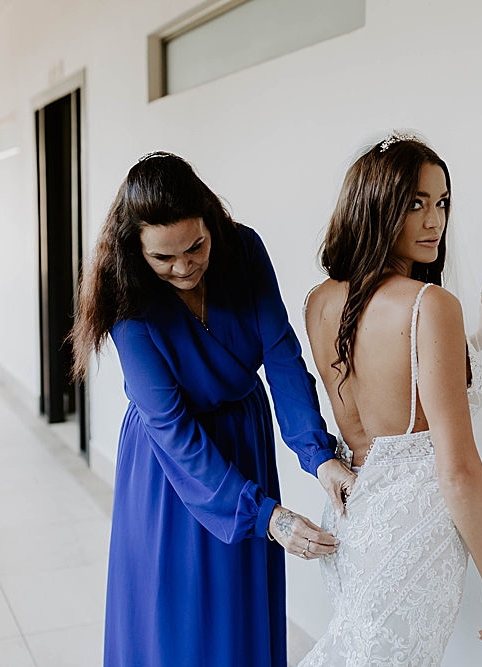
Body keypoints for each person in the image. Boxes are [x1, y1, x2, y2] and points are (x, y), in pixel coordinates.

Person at [73, 153, 351, 666]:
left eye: (194, 246)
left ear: (210, 222)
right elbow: (171, 428)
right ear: (137, 253)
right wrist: (264, 515)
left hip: (245, 440)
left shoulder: (243, 249)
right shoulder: (126, 300)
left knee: (240, 608)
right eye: (163, 258)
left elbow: (282, 356)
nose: (183, 267)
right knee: (175, 616)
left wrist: (319, 455)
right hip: (170, 466)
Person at [299, 135, 482, 666]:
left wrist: (476, 340)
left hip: (353, 521)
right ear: (376, 204)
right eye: (415, 203)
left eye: (441, 203)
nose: (434, 222)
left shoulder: (321, 300)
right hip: (415, 536)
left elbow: (386, 378)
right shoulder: (430, 305)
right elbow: (458, 468)